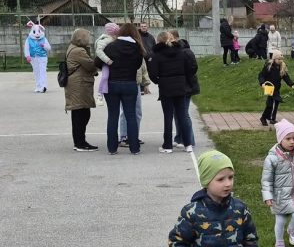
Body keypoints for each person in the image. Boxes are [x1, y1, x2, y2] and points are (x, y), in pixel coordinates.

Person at [262, 119, 294, 247]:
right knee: (281, 219)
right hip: (280, 195)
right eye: (288, 138)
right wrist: (267, 195)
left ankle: (292, 229)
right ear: (280, 139)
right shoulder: (272, 158)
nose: (292, 141)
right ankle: (279, 241)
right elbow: (266, 179)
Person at [100, 22, 146, 154]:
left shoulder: (110, 46)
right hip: (130, 83)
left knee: (113, 115)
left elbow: (98, 61)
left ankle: (112, 148)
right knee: (131, 115)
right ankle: (134, 148)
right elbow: (138, 65)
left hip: (112, 84)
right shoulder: (137, 48)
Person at [149, 30, 197, 154]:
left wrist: (158, 81)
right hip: (181, 86)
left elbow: (153, 73)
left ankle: (168, 145)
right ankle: (188, 144)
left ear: (159, 40)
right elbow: (189, 69)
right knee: (182, 115)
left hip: (166, 87)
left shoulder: (157, 55)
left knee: (168, 117)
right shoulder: (182, 52)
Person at [63, 27, 99, 150]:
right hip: (79, 85)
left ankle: (80, 141)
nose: (89, 40)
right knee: (81, 114)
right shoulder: (78, 51)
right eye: (87, 37)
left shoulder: (73, 48)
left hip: (78, 84)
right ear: (81, 38)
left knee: (80, 113)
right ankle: (80, 143)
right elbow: (90, 65)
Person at [258, 50, 294, 127]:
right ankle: (264, 118)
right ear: (274, 59)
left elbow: (286, 77)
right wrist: (262, 83)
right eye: (278, 59)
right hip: (269, 87)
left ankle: (271, 118)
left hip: (276, 88)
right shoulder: (268, 66)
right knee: (270, 104)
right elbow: (261, 75)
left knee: (275, 102)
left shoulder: (282, 67)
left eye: (281, 59)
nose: (280, 61)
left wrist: (291, 84)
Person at [24, 20, 51, 93]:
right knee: (36, 71)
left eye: (39, 32)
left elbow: (49, 48)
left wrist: (44, 46)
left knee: (43, 71)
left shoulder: (44, 39)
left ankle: (43, 86)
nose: (37, 34)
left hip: (42, 57)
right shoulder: (28, 39)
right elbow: (26, 48)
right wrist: (27, 56)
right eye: (34, 32)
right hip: (33, 58)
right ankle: (38, 86)